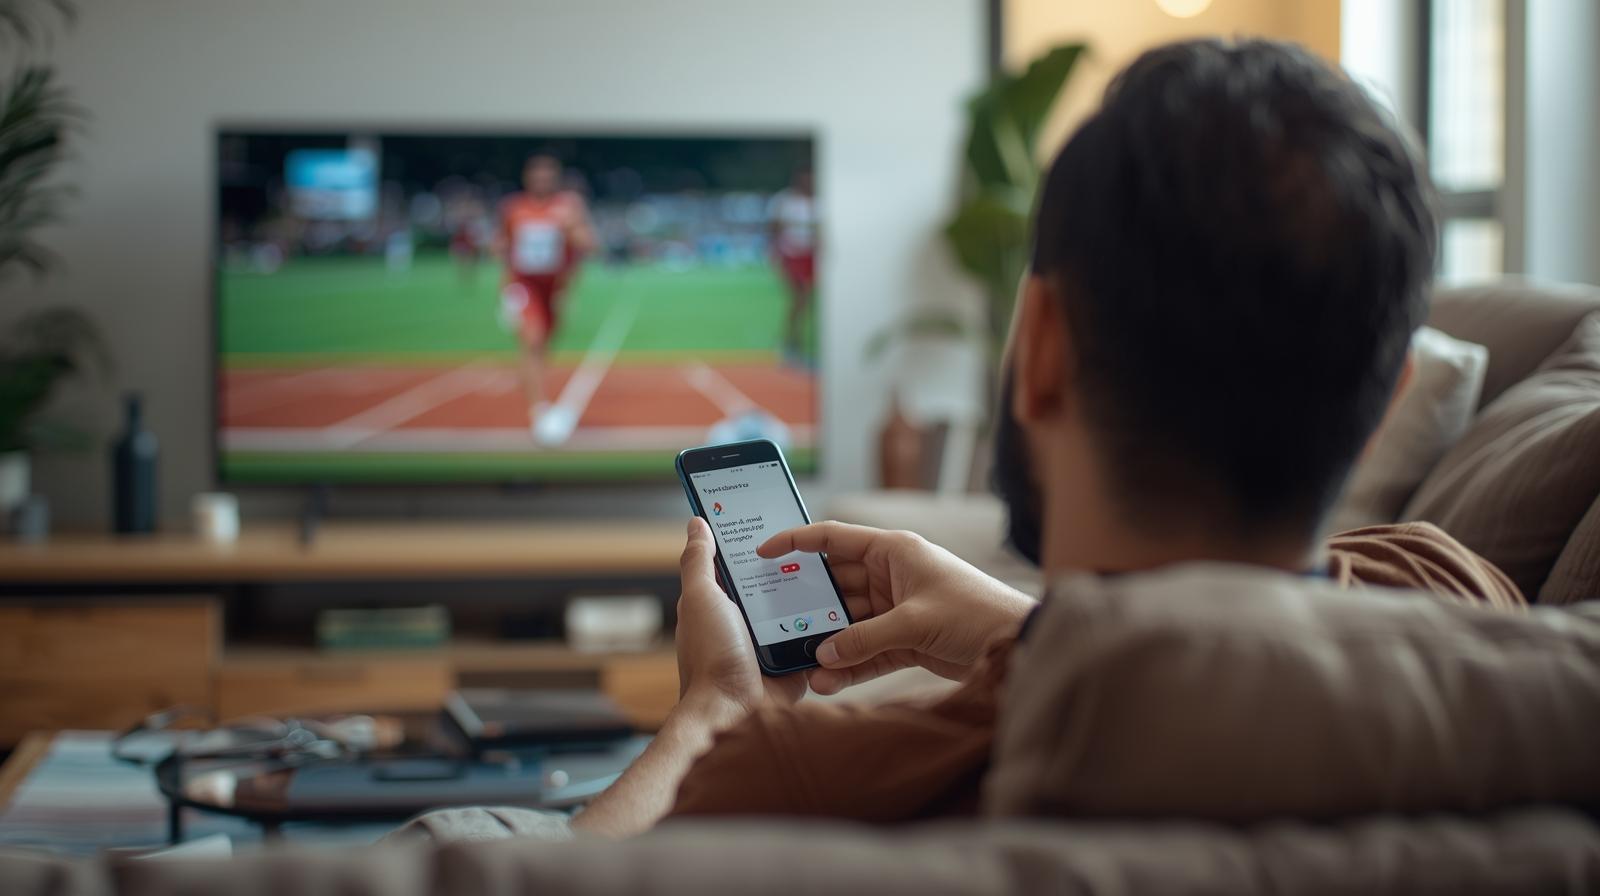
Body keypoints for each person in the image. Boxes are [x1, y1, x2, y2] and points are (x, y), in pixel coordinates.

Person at [568, 38, 1523, 837]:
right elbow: (1236, 667)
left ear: (1047, 349)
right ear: (1390, 396)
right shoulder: (1467, 607)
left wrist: (715, 712)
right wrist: (1015, 629)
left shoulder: (810, 787)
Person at [497, 153, 597, 445]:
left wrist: (569, 228)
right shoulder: (513, 208)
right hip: (524, 285)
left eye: (548, 176)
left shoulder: (569, 207)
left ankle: (537, 391)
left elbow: (588, 244)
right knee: (533, 340)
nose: (542, 181)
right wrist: (505, 290)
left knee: (544, 344)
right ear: (527, 177)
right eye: (537, 175)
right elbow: (502, 244)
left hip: (554, 289)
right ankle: (539, 411)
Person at [767, 168, 817, 364]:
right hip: (791, 254)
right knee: (799, 298)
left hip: (812, 255)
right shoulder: (784, 202)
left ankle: (799, 340)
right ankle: (792, 341)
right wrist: (774, 252)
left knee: (806, 301)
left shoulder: (820, 201)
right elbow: (774, 228)